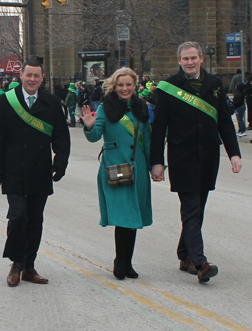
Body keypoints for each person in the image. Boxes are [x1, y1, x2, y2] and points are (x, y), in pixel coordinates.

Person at [151, 41, 242, 283]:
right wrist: (156, 162)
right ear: (179, 61)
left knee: (198, 209)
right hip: (182, 157)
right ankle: (200, 262)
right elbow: (159, 127)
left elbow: (224, 121)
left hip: (209, 157)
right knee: (191, 208)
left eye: (194, 57)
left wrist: (234, 153)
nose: (190, 62)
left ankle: (184, 255)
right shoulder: (168, 87)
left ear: (201, 58)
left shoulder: (215, 84)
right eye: (185, 58)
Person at [0, 58, 71, 287]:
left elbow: (61, 137)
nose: (32, 79)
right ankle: (16, 263)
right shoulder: (5, 101)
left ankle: (29, 266)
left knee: (35, 220)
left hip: (40, 170)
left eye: (37, 76)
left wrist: (60, 163)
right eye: (28, 75)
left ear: (42, 78)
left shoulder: (52, 103)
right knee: (18, 216)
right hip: (12, 170)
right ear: (21, 77)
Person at [79, 67, 152, 280]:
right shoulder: (104, 108)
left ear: (135, 85)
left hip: (137, 169)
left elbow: (147, 139)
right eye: (120, 85)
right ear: (114, 86)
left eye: (128, 84)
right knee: (124, 216)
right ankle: (119, 261)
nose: (124, 88)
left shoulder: (141, 108)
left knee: (134, 215)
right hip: (115, 169)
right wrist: (89, 126)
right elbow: (94, 137)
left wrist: (156, 166)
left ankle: (128, 262)